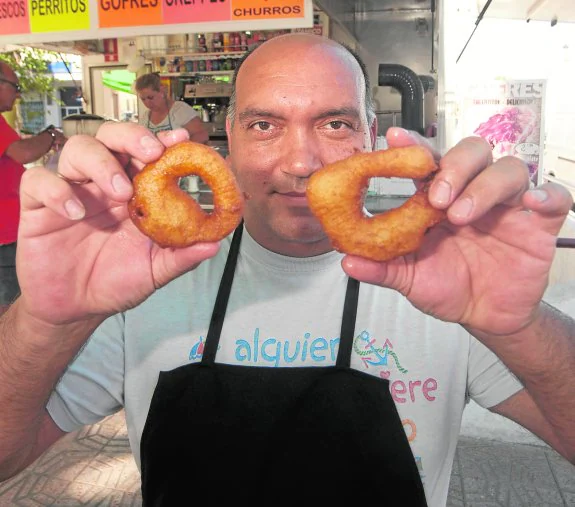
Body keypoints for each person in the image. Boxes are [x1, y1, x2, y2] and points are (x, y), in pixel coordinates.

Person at [0, 34, 573, 506]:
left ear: (372, 138)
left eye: (335, 125)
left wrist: (519, 325)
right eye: (264, 126)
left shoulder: (446, 283)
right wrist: (46, 320)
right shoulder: (136, 283)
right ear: (229, 147)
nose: (300, 163)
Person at [0, 61, 66, 316]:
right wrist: (51, 137)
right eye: (14, 86)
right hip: (5, 239)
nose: (18, 94)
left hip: (10, 233)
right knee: (12, 310)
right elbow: (24, 153)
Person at [135, 71, 209, 143]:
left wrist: (181, 150)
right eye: (143, 99)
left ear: (162, 92)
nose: (147, 102)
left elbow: (202, 136)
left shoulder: (181, 110)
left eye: (151, 97)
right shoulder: (145, 117)